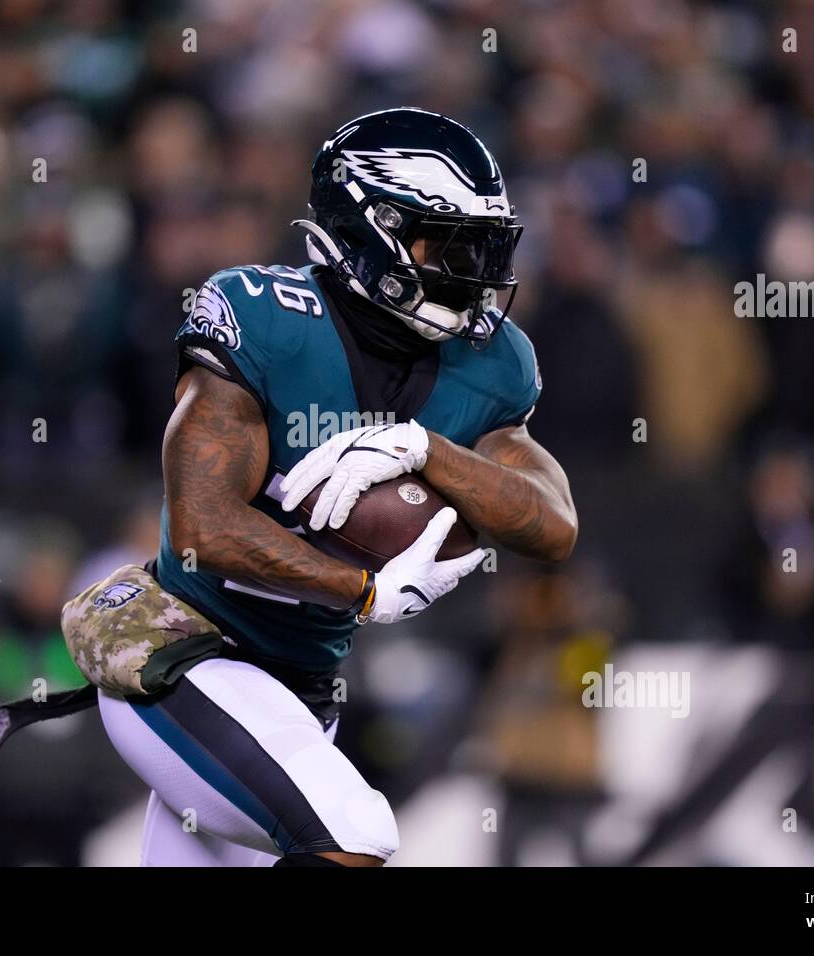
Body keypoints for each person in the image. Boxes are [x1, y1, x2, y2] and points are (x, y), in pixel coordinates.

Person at [97, 108, 578, 866]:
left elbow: (553, 525)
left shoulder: (490, 361)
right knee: (354, 830)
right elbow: (201, 528)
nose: (472, 270)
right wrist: (363, 590)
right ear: (368, 229)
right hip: (184, 655)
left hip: (303, 689)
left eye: (483, 246)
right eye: (447, 244)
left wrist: (426, 449)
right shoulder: (267, 318)